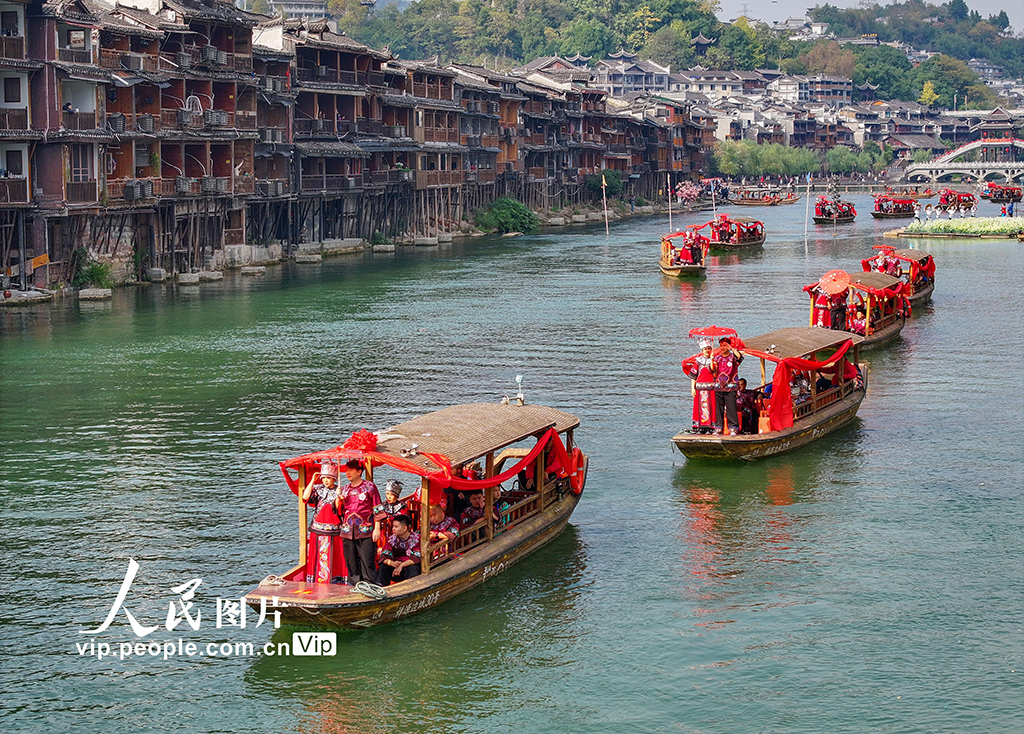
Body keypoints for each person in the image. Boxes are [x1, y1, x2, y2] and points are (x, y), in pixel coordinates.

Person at [338, 459, 382, 585]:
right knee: (350, 561)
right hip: (347, 530)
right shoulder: (344, 489)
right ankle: (354, 584)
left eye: (351, 470)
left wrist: (377, 528)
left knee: (367, 560)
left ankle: (370, 584)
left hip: (365, 529)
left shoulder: (369, 487)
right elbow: (339, 510)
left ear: (359, 471)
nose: (347, 473)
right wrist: (338, 498)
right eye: (346, 470)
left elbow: (377, 507)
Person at [301, 462, 345, 584]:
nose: (325, 480)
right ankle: (316, 581)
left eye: (328, 477)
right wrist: (312, 481)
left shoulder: (340, 490)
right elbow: (305, 497)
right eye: (324, 477)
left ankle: (335, 581)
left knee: (334, 557)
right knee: (317, 557)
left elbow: (339, 509)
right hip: (318, 529)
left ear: (334, 478)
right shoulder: (318, 489)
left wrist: (339, 496)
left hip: (334, 530)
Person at [377, 515, 421, 585]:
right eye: (393, 526)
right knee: (383, 567)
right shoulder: (391, 539)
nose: (393, 529)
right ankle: (381, 588)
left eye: (396, 527)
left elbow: (417, 557)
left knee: (413, 568)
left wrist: (402, 565)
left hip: (408, 566)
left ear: (404, 528)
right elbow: (384, 555)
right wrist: (391, 563)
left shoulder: (416, 539)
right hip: (396, 567)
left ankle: (413, 589)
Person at [684, 339, 717, 434]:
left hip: (711, 389)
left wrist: (712, 360)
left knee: (711, 408)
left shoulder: (714, 361)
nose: (707, 350)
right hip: (700, 388)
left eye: (709, 349)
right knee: (700, 408)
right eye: (705, 349)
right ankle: (700, 427)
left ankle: (711, 427)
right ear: (702, 351)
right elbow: (693, 376)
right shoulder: (698, 362)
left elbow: (713, 371)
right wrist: (692, 388)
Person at [713, 336, 743, 436]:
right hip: (719, 386)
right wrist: (713, 364)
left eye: (725, 346)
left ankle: (733, 428)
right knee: (719, 407)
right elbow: (713, 372)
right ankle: (718, 427)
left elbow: (740, 357)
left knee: (731, 407)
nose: (723, 348)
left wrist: (732, 349)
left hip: (731, 385)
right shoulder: (716, 357)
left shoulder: (732, 357)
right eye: (721, 345)